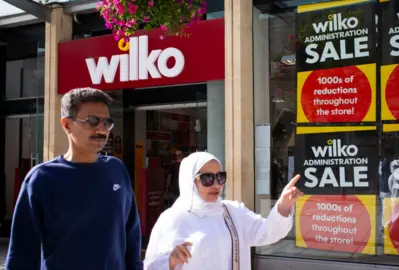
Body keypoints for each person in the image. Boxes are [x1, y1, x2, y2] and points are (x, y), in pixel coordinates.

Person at [6, 87, 143, 270]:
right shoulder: (42, 179)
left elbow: (131, 234)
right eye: (92, 121)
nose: (101, 129)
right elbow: (22, 253)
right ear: (66, 124)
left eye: (107, 122)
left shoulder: (116, 169)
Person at [144, 151, 303, 270]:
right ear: (190, 182)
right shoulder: (172, 219)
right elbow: (151, 266)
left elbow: (267, 232)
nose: (216, 185)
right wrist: (170, 261)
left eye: (220, 177)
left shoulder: (234, 212)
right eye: (207, 178)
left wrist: (283, 205)